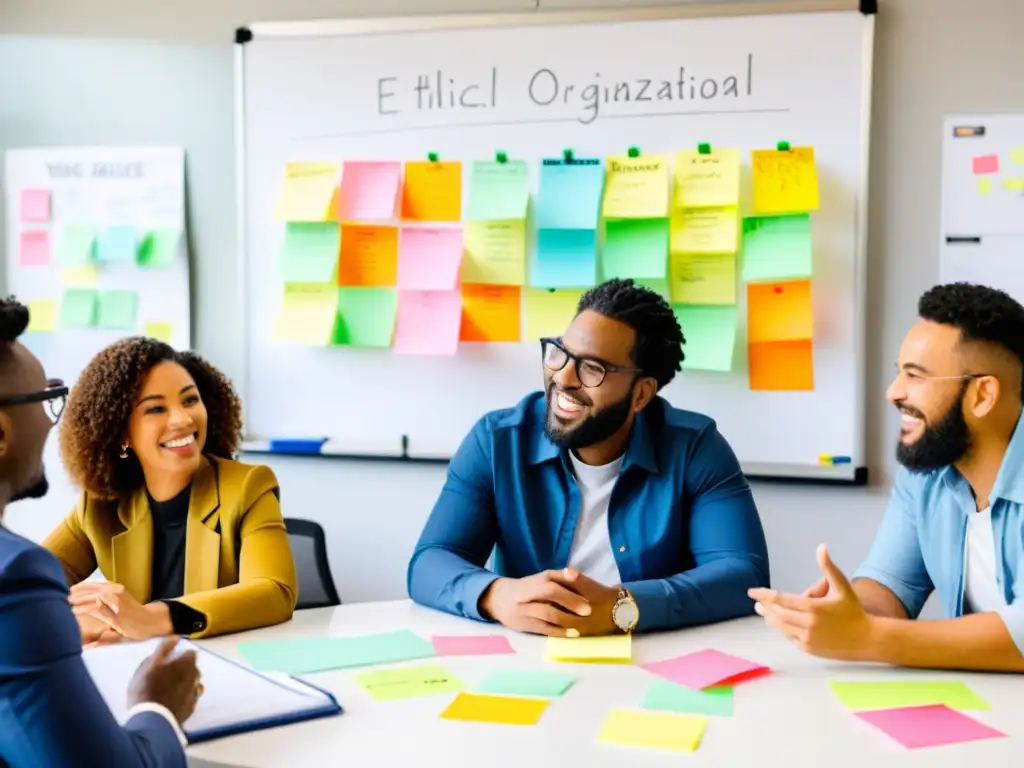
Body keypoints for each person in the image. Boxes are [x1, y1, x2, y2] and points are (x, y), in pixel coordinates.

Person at [408, 278, 770, 637]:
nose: (563, 378)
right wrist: (495, 595)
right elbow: (429, 562)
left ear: (641, 394)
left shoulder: (694, 448)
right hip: (529, 659)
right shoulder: (498, 441)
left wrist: (623, 608)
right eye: (559, 353)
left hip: (654, 659)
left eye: (592, 368)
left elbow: (743, 574)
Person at [749, 282, 1024, 672]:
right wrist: (848, 612)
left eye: (916, 376)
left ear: (982, 395)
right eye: (899, 373)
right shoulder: (926, 473)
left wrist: (867, 638)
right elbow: (892, 584)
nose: (893, 392)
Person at [0, 297, 201, 767]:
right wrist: (158, 706)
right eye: (48, 399)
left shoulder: (247, 485)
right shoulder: (18, 576)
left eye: (190, 400)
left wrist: (61, 619)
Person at [43, 337, 297, 645]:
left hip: (227, 666)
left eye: (190, 400)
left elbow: (274, 592)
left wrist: (152, 619)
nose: (182, 419)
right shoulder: (100, 505)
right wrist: (81, 621)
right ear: (121, 432)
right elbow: (25, 583)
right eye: (156, 409)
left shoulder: (247, 487)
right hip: (142, 670)